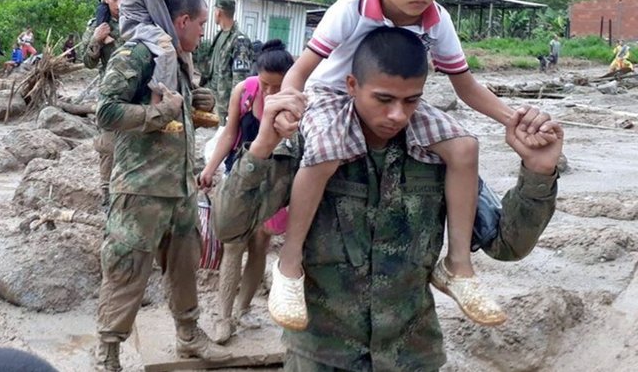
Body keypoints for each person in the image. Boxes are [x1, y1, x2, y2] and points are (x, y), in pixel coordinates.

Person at [214, 26, 563, 371]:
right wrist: (260, 148)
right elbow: (228, 226)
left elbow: (506, 245)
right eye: (383, 99)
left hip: (411, 357)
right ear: (352, 85)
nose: (397, 114)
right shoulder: (314, 146)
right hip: (320, 356)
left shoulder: (437, 154)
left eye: (411, 100)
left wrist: (538, 172)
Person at [269, 0, 551, 329]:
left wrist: (515, 118)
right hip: (334, 93)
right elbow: (302, 68)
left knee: (463, 147)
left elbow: (466, 86)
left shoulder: (438, 20)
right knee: (326, 152)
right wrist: (289, 99)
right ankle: (289, 267)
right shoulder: (351, 8)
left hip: (398, 98)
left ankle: (457, 267)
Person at [93, 0, 228, 371]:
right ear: (182, 21)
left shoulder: (178, 59)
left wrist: (197, 100)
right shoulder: (138, 53)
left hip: (179, 188)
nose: (203, 33)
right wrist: (160, 114)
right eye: (201, 25)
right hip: (140, 189)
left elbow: (174, 108)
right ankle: (108, 352)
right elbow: (105, 112)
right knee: (127, 270)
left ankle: (188, 335)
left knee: (185, 266)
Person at [198, 39, 294, 344]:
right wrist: (211, 168)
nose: (269, 92)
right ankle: (223, 318)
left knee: (260, 245)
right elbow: (229, 133)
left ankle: (243, 309)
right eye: (265, 84)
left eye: (277, 86)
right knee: (234, 244)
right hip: (241, 175)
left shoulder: (296, 101)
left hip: (274, 182)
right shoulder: (245, 91)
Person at [119, 0, 217, 133]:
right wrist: (173, 40)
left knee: (185, 52)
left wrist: (180, 44)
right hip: (138, 24)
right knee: (167, 51)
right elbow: (157, 10)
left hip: (152, 23)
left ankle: (189, 100)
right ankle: (159, 109)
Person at [81, 0, 125, 209]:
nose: (118, 3)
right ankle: (107, 197)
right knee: (107, 147)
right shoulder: (96, 25)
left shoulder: (137, 23)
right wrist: (97, 40)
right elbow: (87, 62)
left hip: (133, 94)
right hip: (109, 92)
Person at [198, 0, 253, 124]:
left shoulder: (240, 40)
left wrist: (234, 112)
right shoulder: (220, 35)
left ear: (218, 12)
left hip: (224, 107)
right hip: (211, 100)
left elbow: (240, 81)